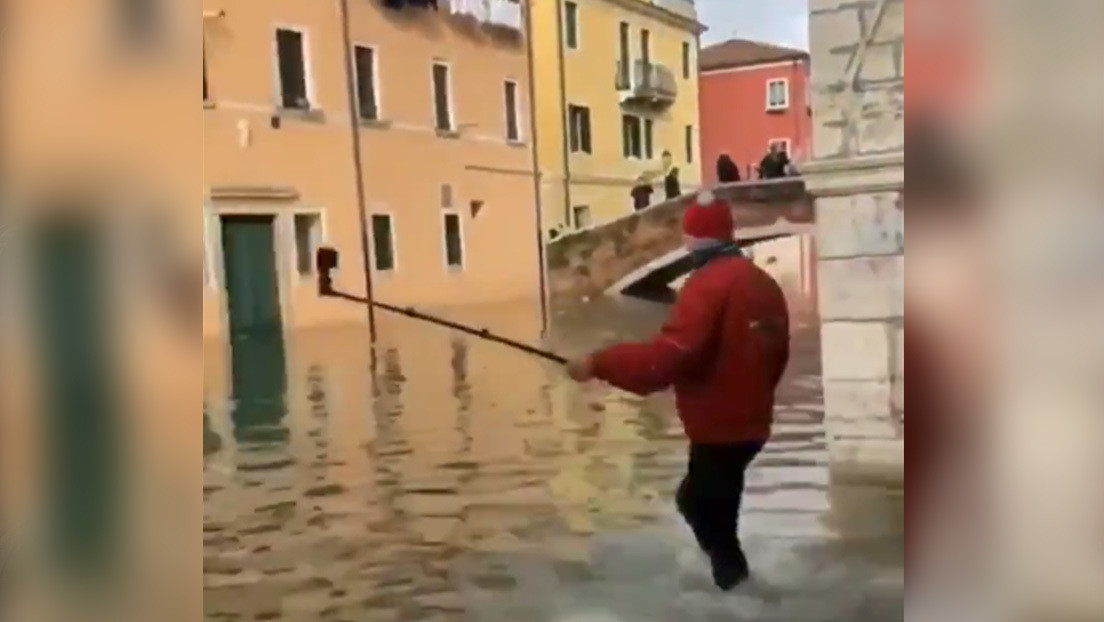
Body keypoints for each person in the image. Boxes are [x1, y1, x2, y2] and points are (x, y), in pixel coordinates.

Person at [565, 191, 791, 591]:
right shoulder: (763, 283)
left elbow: (667, 358)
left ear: (695, 239)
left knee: (701, 508)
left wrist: (598, 363)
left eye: (688, 237)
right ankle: (739, 591)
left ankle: (740, 595)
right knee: (710, 507)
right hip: (751, 424)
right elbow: (777, 354)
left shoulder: (706, 286)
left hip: (719, 427)